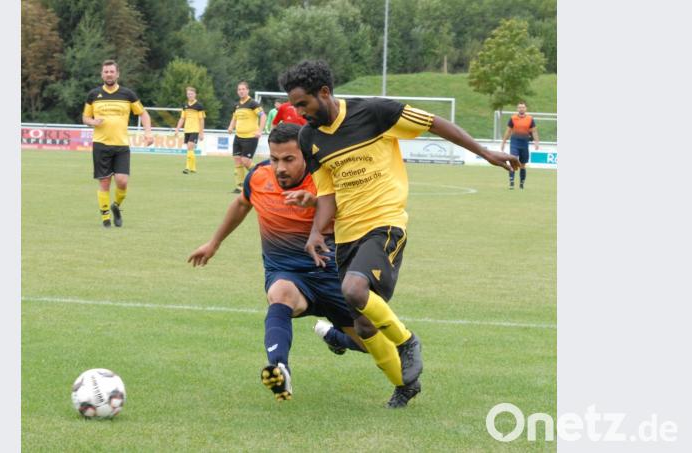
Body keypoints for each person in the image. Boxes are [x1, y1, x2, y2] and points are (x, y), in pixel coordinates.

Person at [279, 60, 521, 407]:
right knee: (362, 326)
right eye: (296, 105)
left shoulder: (375, 112)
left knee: (353, 288)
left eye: (304, 104)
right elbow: (327, 194)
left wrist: (484, 152)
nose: (300, 112)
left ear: (325, 93)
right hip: (347, 235)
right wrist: (317, 232)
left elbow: (435, 123)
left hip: (385, 223)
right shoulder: (310, 138)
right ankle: (404, 385)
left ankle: (407, 342)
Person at [189, 123, 420, 405]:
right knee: (280, 295)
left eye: (289, 159)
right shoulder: (259, 177)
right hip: (288, 273)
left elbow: (353, 215)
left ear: (306, 155)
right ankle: (279, 367)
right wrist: (214, 243)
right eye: (275, 159)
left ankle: (344, 342)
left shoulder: (326, 179)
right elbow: (241, 204)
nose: (280, 167)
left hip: (334, 275)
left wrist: (314, 204)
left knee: (368, 338)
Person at [82, 59, 154, 228]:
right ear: (102, 74)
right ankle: (105, 217)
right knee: (105, 182)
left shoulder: (128, 94)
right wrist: (92, 122)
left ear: (117, 74)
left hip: (121, 145)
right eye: (106, 71)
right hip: (101, 144)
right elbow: (85, 117)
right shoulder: (94, 95)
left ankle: (116, 206)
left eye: (111, 71)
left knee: (122, 181)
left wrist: (148, 133)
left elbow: (143, 114)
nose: (109, 74)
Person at [226, 81, 266, 193]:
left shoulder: (253, 103)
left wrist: (260, 131)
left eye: (243, 89)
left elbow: (263, 116)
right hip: (238, 137)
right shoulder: (237, 105)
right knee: (237, 161)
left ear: (247, 90)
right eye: (239, 89)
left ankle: (262, 175)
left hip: (250, 137)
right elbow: (234, 118)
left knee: (245, 161)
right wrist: (230, 127)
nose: (241, 91)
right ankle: (240, 187)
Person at [500, 101, 540, 189]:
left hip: (524, 143)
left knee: (523, 165)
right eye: (520, 107)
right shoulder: (513, 118)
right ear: (517, 109)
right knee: (513, 161)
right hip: (515, 142)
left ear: (525, 109)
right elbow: (508, 131)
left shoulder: (530, 119)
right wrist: (503, 142)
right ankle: (511, 183)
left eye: (523, 107)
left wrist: (536, 142)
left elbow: (534, 131)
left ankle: (521, 184)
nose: (521, 109)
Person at [174, 86, 206, 175]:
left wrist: (201, 132)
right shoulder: (185, 105)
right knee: (190, 150)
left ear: (195, 95)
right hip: (187, 130)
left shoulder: (199, 106)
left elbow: (201, 120)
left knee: (189, 147)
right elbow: (182, 118)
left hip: (195, 130)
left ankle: (187, 168)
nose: (190, 95)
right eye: (188, 94)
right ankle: (193, 168)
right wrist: (177, 129)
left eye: (191, 94)